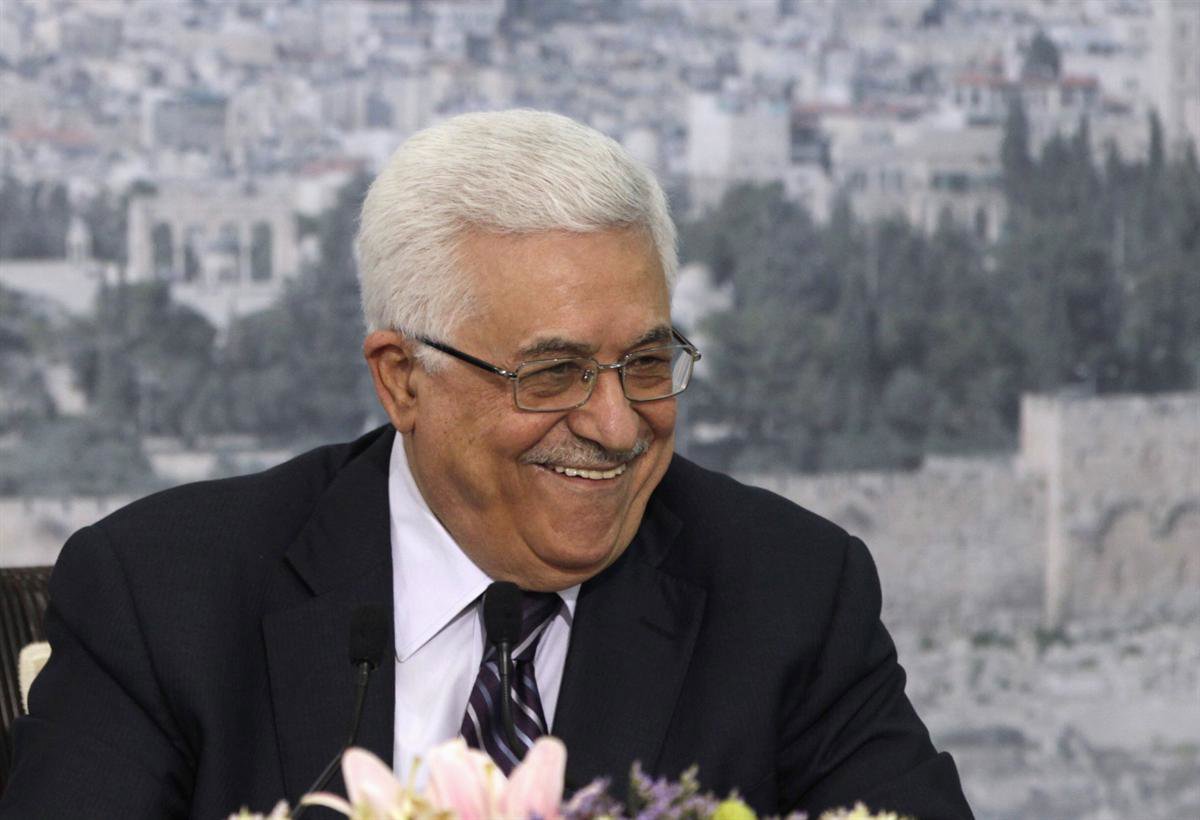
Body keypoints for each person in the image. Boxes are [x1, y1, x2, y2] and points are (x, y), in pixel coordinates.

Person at [1, 110, 972, 819]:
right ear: (402, 379)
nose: (616, 424)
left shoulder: (790, 592)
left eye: (646, 363)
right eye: (551, 374)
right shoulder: (163, 596)